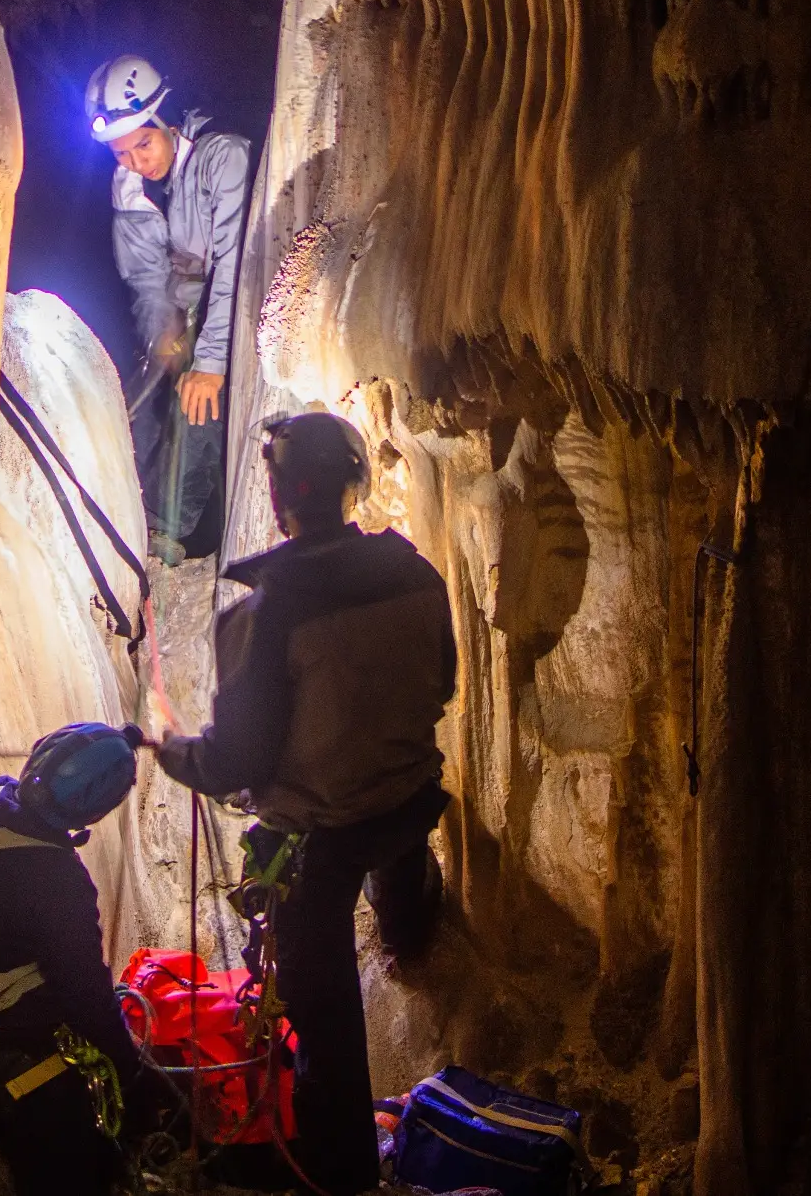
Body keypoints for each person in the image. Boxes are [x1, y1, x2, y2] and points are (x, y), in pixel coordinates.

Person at [150, 412, 457, 1196]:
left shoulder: (265, 612)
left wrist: (171, 751)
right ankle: (406, 919)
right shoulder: (417, 571)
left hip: (320, 839)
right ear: (353, 484)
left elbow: (239, 760)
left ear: (282, 494)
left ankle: (345, 1177)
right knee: (395, 849)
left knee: (325, 1024)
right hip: (408, 799)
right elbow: (443, 682)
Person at [0, 722, 150, 1196]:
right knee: (76, 1142)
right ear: (95, 811)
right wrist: (132, 1076)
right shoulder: (59, 881)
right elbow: (89, 1000)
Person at [84, 55, 252, 564]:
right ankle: (127, 515)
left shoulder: (220, 158)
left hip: (242, 299)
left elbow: (233, 264)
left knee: (197, 406)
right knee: (142, 402)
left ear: (166, 123)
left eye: (143, 143)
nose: (136, 161)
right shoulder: (130, 186)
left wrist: (210, 362)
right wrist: (164, 334)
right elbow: (145, 277)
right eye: (121, 153)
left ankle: (169, 533)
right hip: (188, 303)